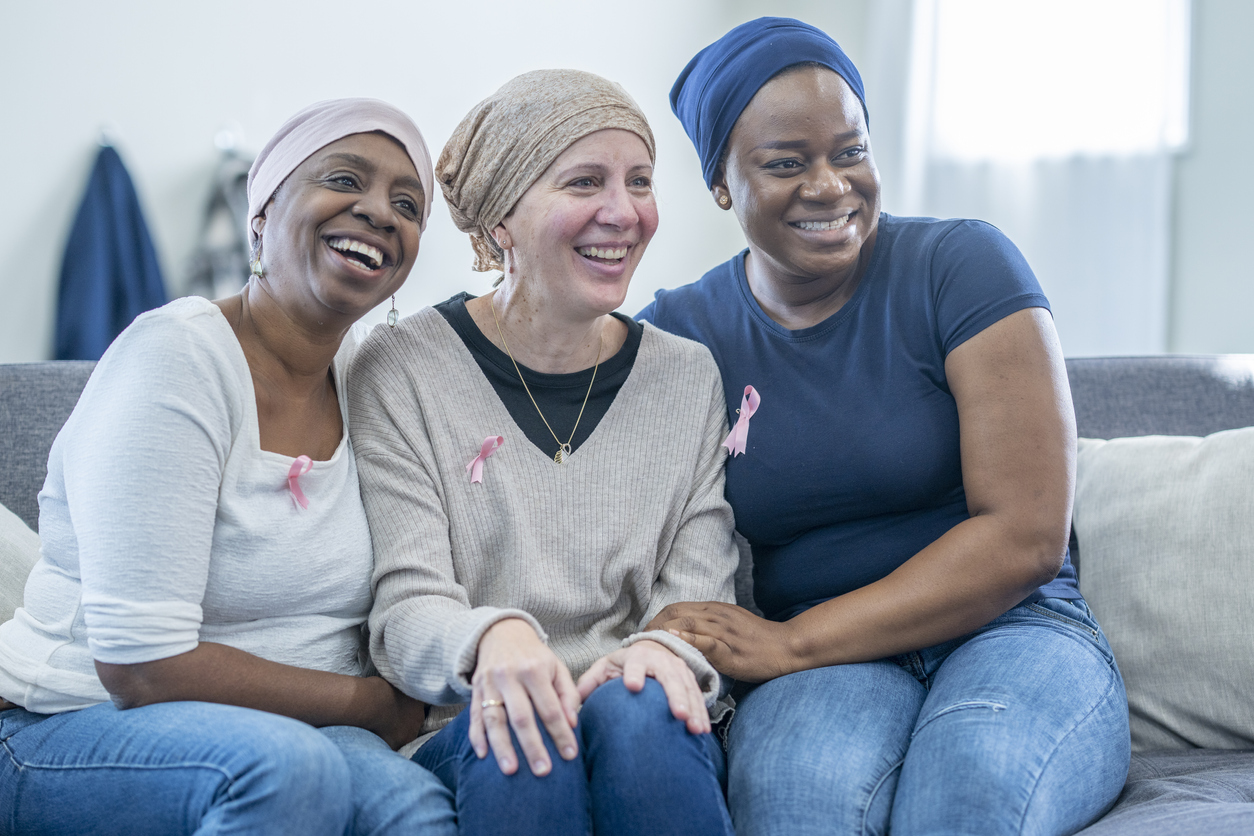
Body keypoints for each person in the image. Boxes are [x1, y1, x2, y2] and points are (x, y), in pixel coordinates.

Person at [641, 17, 1131, 836]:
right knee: (796, 807)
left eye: (851, 151)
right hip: (830, 664)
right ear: (721, 183)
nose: (831, 185)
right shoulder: (681, 332)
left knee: (964, 797)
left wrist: (790, 644)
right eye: (786, 162)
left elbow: (1026, 537)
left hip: (1011, 625)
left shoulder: (962, 265)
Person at [0, 99, 457, 836]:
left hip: (294, 728)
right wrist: (372, 705)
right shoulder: (175, 358)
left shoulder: (372, 382)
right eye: (345, 179)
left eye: (407, 204)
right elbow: (143, 668)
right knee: (284, 770)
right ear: (262, 215)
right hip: (71, 720)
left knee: (412, 809)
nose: (380, 211)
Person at [347, 69, 737, 836]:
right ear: (500, 222)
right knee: (520, 726)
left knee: (639, 709)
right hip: (471, 725)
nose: (624, 213)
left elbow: (699, 592)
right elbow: (405, 607)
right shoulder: (398, 367)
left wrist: (660, 652)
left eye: (640, 181)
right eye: (584, 182)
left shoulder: (686, 376)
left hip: (641, 716)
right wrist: (493, 635)